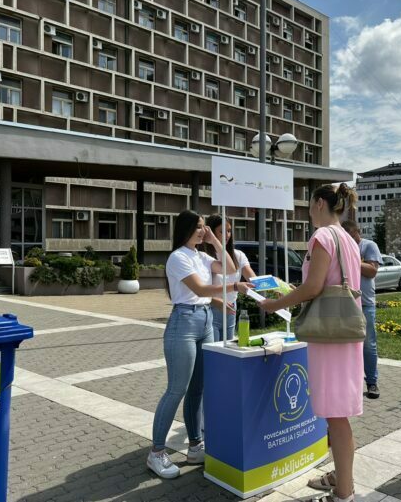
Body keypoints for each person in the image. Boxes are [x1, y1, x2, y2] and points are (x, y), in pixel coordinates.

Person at [259, 183, 362, 502]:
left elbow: (314, 287)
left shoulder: (322, 237)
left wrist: (276, 304)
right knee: (339, 413)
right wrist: (299, 290)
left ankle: (344, 493)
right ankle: (342, 477)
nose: (307, 212)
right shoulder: (347, 238)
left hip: (328, 336)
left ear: (319, 203)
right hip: (344, 330)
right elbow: (327, 282)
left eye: (308, 206)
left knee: (336, 416)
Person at [147, 210, 253, 479]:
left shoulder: (201, 256)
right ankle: (156, 453)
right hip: (183, 322)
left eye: (204, 227)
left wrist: (214, 241)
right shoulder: (178, 257)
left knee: (198, 388)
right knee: (177, 389)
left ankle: (195, 446)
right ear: (184, 228)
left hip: (205, 321)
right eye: (198, 227)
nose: (202, 231)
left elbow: (231, 269)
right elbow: (202, 290)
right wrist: (235, 288)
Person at [341, 220, 383, 399]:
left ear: (357, 232)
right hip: (345, 304)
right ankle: (349, 383)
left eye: (351, 235)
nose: (349, 239)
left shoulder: (368, 246)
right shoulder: (342, 248)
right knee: (345, 345)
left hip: (365, 304)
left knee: (368, 344)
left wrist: (351, 258)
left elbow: (372, 271)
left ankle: (372, 382)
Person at [201, 214, 256, 342]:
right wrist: (215, 301)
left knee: (227, 349)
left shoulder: (238, 255)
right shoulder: (204, 257)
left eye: (229, 231)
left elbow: (254, 280)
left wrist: (277, 285)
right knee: (214, 350)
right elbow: (199, 289)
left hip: (231, 309)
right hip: (211, 309)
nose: (226, 235)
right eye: (222, 231)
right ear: (211, 232)